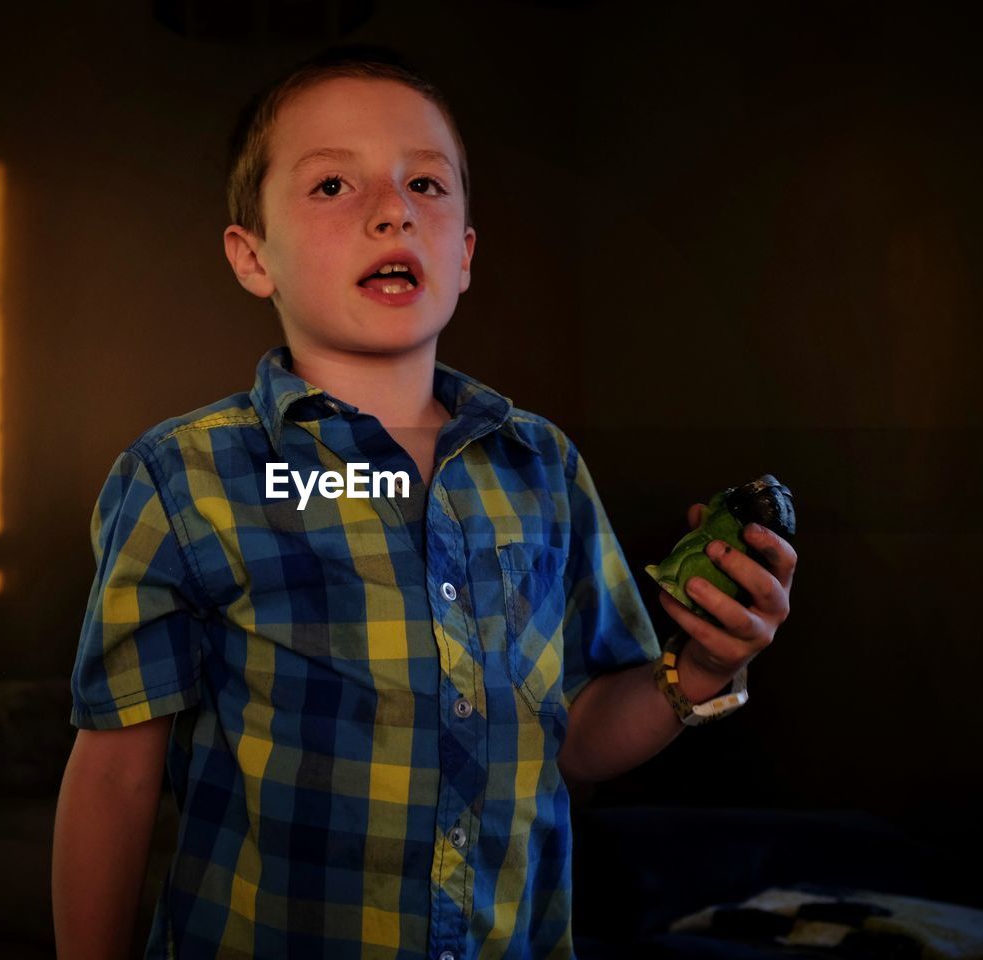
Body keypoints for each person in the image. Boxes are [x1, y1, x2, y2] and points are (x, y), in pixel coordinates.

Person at [51, 46, 797, 960]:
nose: (393, 209)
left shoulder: (541, 465)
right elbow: (116, 779)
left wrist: (705, 667)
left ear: (465, 255)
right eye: (333, 186)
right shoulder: (186, 478)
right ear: (254, 258)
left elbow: (572, 737)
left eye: (427, 186)